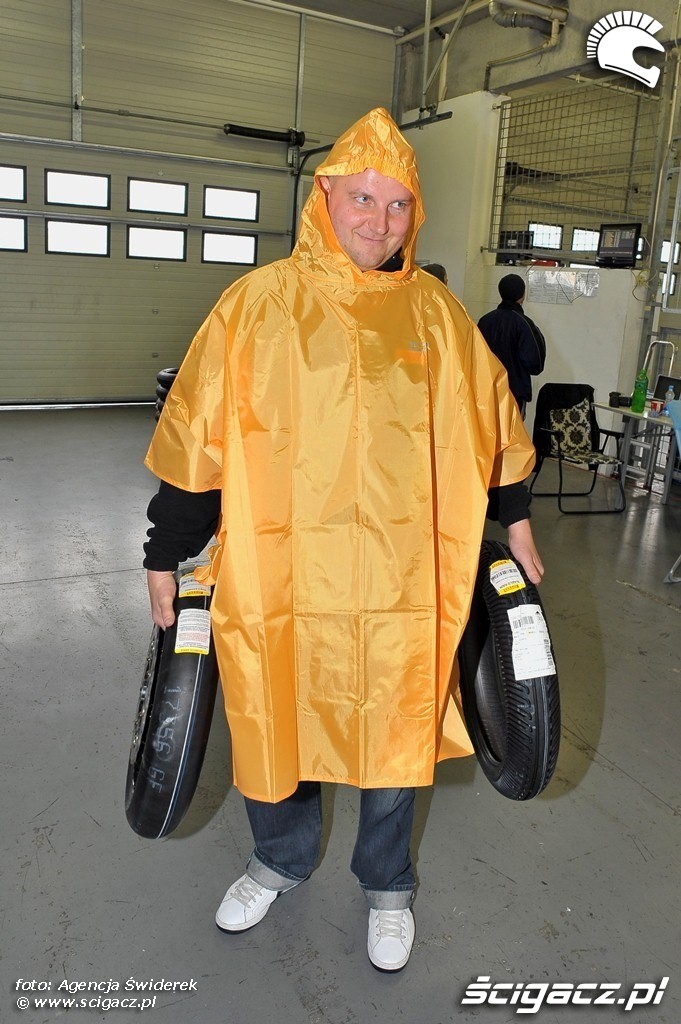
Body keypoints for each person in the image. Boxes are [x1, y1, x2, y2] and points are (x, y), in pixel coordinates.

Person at [143, 108, 543, 973]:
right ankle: (278, 860)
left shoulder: (436, 315)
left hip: (402, 572)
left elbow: (488, 423)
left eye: (398, 205)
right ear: (322, 197)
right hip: (280, 566)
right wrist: (163, 551)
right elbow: (199, 435)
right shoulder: (256, 305)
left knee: (396, 724)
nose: (379, 220)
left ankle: (387, 884)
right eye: (363, 198)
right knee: (273, 716)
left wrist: (513, 517)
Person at [477, 273, 546, 417]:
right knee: (512, 431)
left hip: (486, 391)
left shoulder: (484, 321)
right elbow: (535, 364)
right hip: (514, 392)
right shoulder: (524, 324)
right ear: (522, 296)